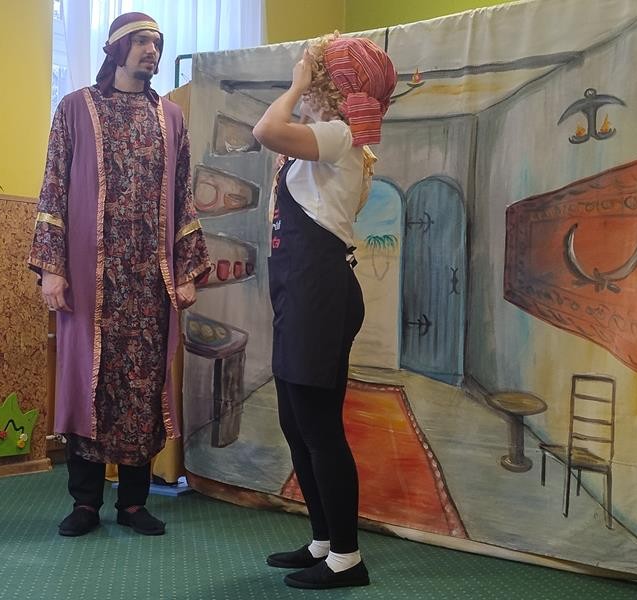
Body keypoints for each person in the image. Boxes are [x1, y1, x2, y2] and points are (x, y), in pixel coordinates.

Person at [28, 12, 210, 538]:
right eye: (142, 42)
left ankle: (133, 503)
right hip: (90, 279)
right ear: (116, 49)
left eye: (157, 43)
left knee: (142, 387)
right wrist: (52, 269)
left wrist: (187, 270)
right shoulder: (75, 108)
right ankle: (85, 502)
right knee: (88, 381)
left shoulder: (171, 118)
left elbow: (183, 197)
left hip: (150, 281)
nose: (152, 51)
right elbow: (53, 187)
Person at [253, 34, 397, 589]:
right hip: (302, 292)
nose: (302, 73)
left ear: (329, 83)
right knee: (296, 423)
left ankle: (346, 558)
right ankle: (323, 541)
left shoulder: (339, 134)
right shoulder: (326, 138)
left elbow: (265, 130)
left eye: (312, 69)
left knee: (318, 427)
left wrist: (296, 87)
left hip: (318, 292)